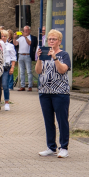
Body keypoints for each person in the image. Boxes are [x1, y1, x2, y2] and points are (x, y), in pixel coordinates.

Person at [36, 28, 72, 158]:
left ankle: (64, 147)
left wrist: (55, 58)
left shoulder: (64, 55)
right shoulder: (44, 54)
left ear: (59, 41)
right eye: (49, 39)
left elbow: (62, 70)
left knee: (62, 120)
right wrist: (39, 58)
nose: (51, 41)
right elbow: (38, 71)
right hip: (45, 91)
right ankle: (51, 147)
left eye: (54, 39)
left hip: (60, 92)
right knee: (48, 121)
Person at [17, 26, 38, 91]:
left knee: (29, 71)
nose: (25, 31)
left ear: (29, 30)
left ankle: (30, 86)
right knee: (22, 72)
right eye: (24, 30)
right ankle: (22, 86)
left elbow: (30, 43)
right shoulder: (20, 38)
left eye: (27, 30)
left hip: (28, 55)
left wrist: (25, 37)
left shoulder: (32, 37)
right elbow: (15, 44)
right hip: (21, 55)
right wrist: (14, 37)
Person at [1, 29, 17, 111]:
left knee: (5, 85)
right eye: (2, 36)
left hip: (6, 67)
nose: (3, 37)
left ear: (7, 37)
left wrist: (12, 67)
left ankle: (6, 102)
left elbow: (13, 57)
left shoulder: (10, 46)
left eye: (4, 36)